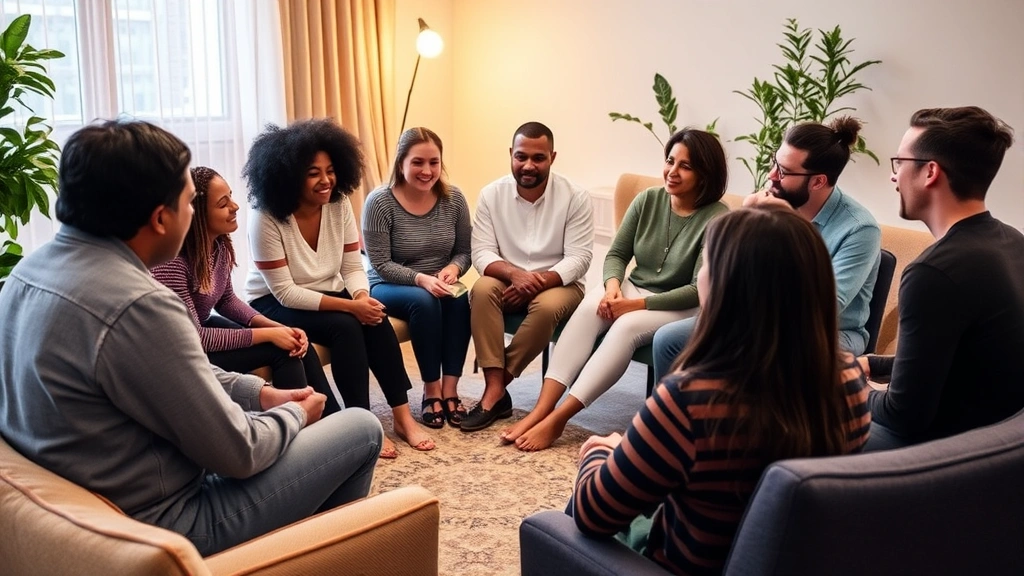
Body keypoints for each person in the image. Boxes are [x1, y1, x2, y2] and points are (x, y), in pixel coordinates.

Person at [0, 119, 382, 556]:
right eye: (188, 202)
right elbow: (239, 453)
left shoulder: (25, 273)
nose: (194, 212)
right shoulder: (139, 304)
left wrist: (259, 394)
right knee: (360, 428)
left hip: (91, 503)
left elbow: (177, 373)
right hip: (168, 522)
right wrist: (296, 417)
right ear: (160, 219)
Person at [571, 206, 871, 576]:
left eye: (706, 265)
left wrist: (601, 453)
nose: (700, 276)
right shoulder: (851, 380)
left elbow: (593, 515)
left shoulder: (691, 401)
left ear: (728, 284)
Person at [505, 128, 730, 451]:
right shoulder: (648, 199)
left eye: (686, 166)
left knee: (624, 328)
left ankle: (559, 419)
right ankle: (542, 409)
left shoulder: (717, 219)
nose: (672, 172)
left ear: (706, 174)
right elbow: (617, 255)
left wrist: (631, 306)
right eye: (670, 161)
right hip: (631, 288)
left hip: (677, 304)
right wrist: (612, 288)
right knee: (589, 308)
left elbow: (696, 290)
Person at [243, 118, 435, 458]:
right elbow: (286, 292)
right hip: (272, 301)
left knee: (374, 317)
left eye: (330, 170)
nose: (326, 180)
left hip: (326, 292)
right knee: (347, 324)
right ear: (288, 175)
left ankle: (402, 417)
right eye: (313, 172)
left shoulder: (338, 203)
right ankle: (360, 424)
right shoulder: (266, 216)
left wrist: (362, 297)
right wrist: (350, 307)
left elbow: (351, 266)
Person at [651, 117, 881, 381]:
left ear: (818, 182)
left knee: (749, 352)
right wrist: (746, 216)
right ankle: (672, 420)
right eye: (774, 162)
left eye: (783, 171)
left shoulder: (859, 229)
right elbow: (725, 274)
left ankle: (735, 421)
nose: (771, 175)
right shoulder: (769, 203)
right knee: (669, 340)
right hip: (757, 318)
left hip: (829, 333)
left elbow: (821, 307)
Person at [861, 106, 1024, 450]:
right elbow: (957, 362)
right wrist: (869, 364)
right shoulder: (1012, 241)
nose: (894, 177)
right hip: (997, 448)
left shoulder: (933, 272)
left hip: (944, 454)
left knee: (790, 421)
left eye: (900, 163)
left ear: (930, 172)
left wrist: (844, 386)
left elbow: (904, 413)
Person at [151, 166, 340, 414]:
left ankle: (332, 416)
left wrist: (277, 328)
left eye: (230, 196)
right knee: (280, 350)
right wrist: (269, 335)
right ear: (196, 215)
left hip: (199, 329)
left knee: (291, 341)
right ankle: (300, 426)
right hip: (176, 352)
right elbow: (196, 337)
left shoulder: (218, 246)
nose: (235, 206)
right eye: (223, 203)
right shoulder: (173, 261)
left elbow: (227, 300)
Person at [463, 121, 594, 432]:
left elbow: (580, 257)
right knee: (481, 290)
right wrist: (515, 275)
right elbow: (481, 253)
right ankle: (497, 393)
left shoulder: (575, 196)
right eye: (521, 156)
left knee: (546, 307)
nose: (528, 165)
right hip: (506, 278)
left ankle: (494, 391)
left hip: (560, 281)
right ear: (511, 154)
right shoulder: (491, 194)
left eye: (539, 158)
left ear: (553, 157)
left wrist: (535, 283)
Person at [363, 127, 473, 428]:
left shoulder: (455, 199)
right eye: (418, 163)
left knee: (462, 299)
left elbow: (465, 251)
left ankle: (450, 388)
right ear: (401, 163)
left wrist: (453, 269)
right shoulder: (379, 202)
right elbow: (381, 263)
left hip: (440, 281)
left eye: (434, 163)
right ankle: (431, 389)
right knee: (424, 302)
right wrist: (422, 279)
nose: (427, 171)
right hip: (388, 284)